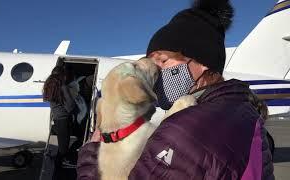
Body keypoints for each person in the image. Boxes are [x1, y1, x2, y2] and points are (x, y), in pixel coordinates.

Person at [77, 0, 274, 179]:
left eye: (162, 61)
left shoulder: (181, 132)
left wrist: (90, 162)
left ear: (202, 61)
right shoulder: (245, 113)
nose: (156, 72)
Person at [43, 65, 78, 167]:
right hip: (64, 118)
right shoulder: (62, 87)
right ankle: (62, 162)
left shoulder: (49, 86)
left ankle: (60, 160)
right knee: (64, 144)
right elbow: (70, 105)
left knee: (61, 142)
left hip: (56, 118)